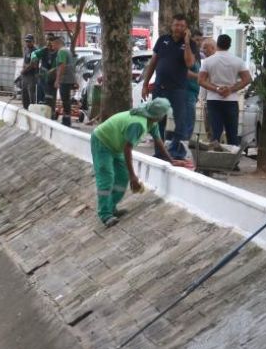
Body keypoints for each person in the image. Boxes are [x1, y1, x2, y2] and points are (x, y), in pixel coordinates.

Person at [90, 98, 174, 226]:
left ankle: (111, 207)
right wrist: (133, 176)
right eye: (164, 114)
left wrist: (172, 160)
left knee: (122, 177)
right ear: (158, 115)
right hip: (102, 142)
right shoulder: (138, 124)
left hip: (116, 145)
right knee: (107, 177)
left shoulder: (151, 121)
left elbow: (158, 140)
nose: (165, 116)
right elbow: (127, 149)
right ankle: (105, 214)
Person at [140, 14, 196, 159]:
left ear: (186, 28)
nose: (178, 28)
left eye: (182, 26)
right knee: (157, 122)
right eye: (176, 25)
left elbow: (189, 63)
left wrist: (187, 42)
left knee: (180, 123)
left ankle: (177, 153)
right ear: (172, 26)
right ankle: (160, 152)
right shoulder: (163, 40)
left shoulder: (191, 44)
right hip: (160, 87)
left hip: (178, 89)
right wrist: (145, 84)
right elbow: (153, 62)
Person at [198, 35, 252, 147]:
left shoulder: (208, 61)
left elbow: (201, 80)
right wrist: (231, 89)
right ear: (229, 45)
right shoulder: (238, 61)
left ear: (217, 44)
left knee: (215, 134)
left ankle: (215, 160)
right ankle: (233, 162)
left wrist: (216, 89)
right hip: (231, 100)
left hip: (213, 100)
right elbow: (247, 79)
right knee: (232, 134)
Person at [51, 36, 78, 126]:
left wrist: (57, 80)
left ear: (58, 43)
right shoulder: (67, 51)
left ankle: (66, 119)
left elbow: (62, 66)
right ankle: (67, 117)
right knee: (66, 98)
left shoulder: (61, 51)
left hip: (65, 79)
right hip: (70, 78)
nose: (52, 47)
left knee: (65, 99)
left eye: (53, 44)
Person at [18, 34, 39, 109]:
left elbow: (34, 64)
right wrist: (23, 69)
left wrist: (25, 69)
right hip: (25, 75)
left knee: (31, 93)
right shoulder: (26, 49)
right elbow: (25, 61)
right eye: (26, 41)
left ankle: (32, 107)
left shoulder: (35, 51)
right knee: (24, 92)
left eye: (29, 41)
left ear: (33, 41)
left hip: (32, 75)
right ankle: (25, 107)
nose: (27, 43)